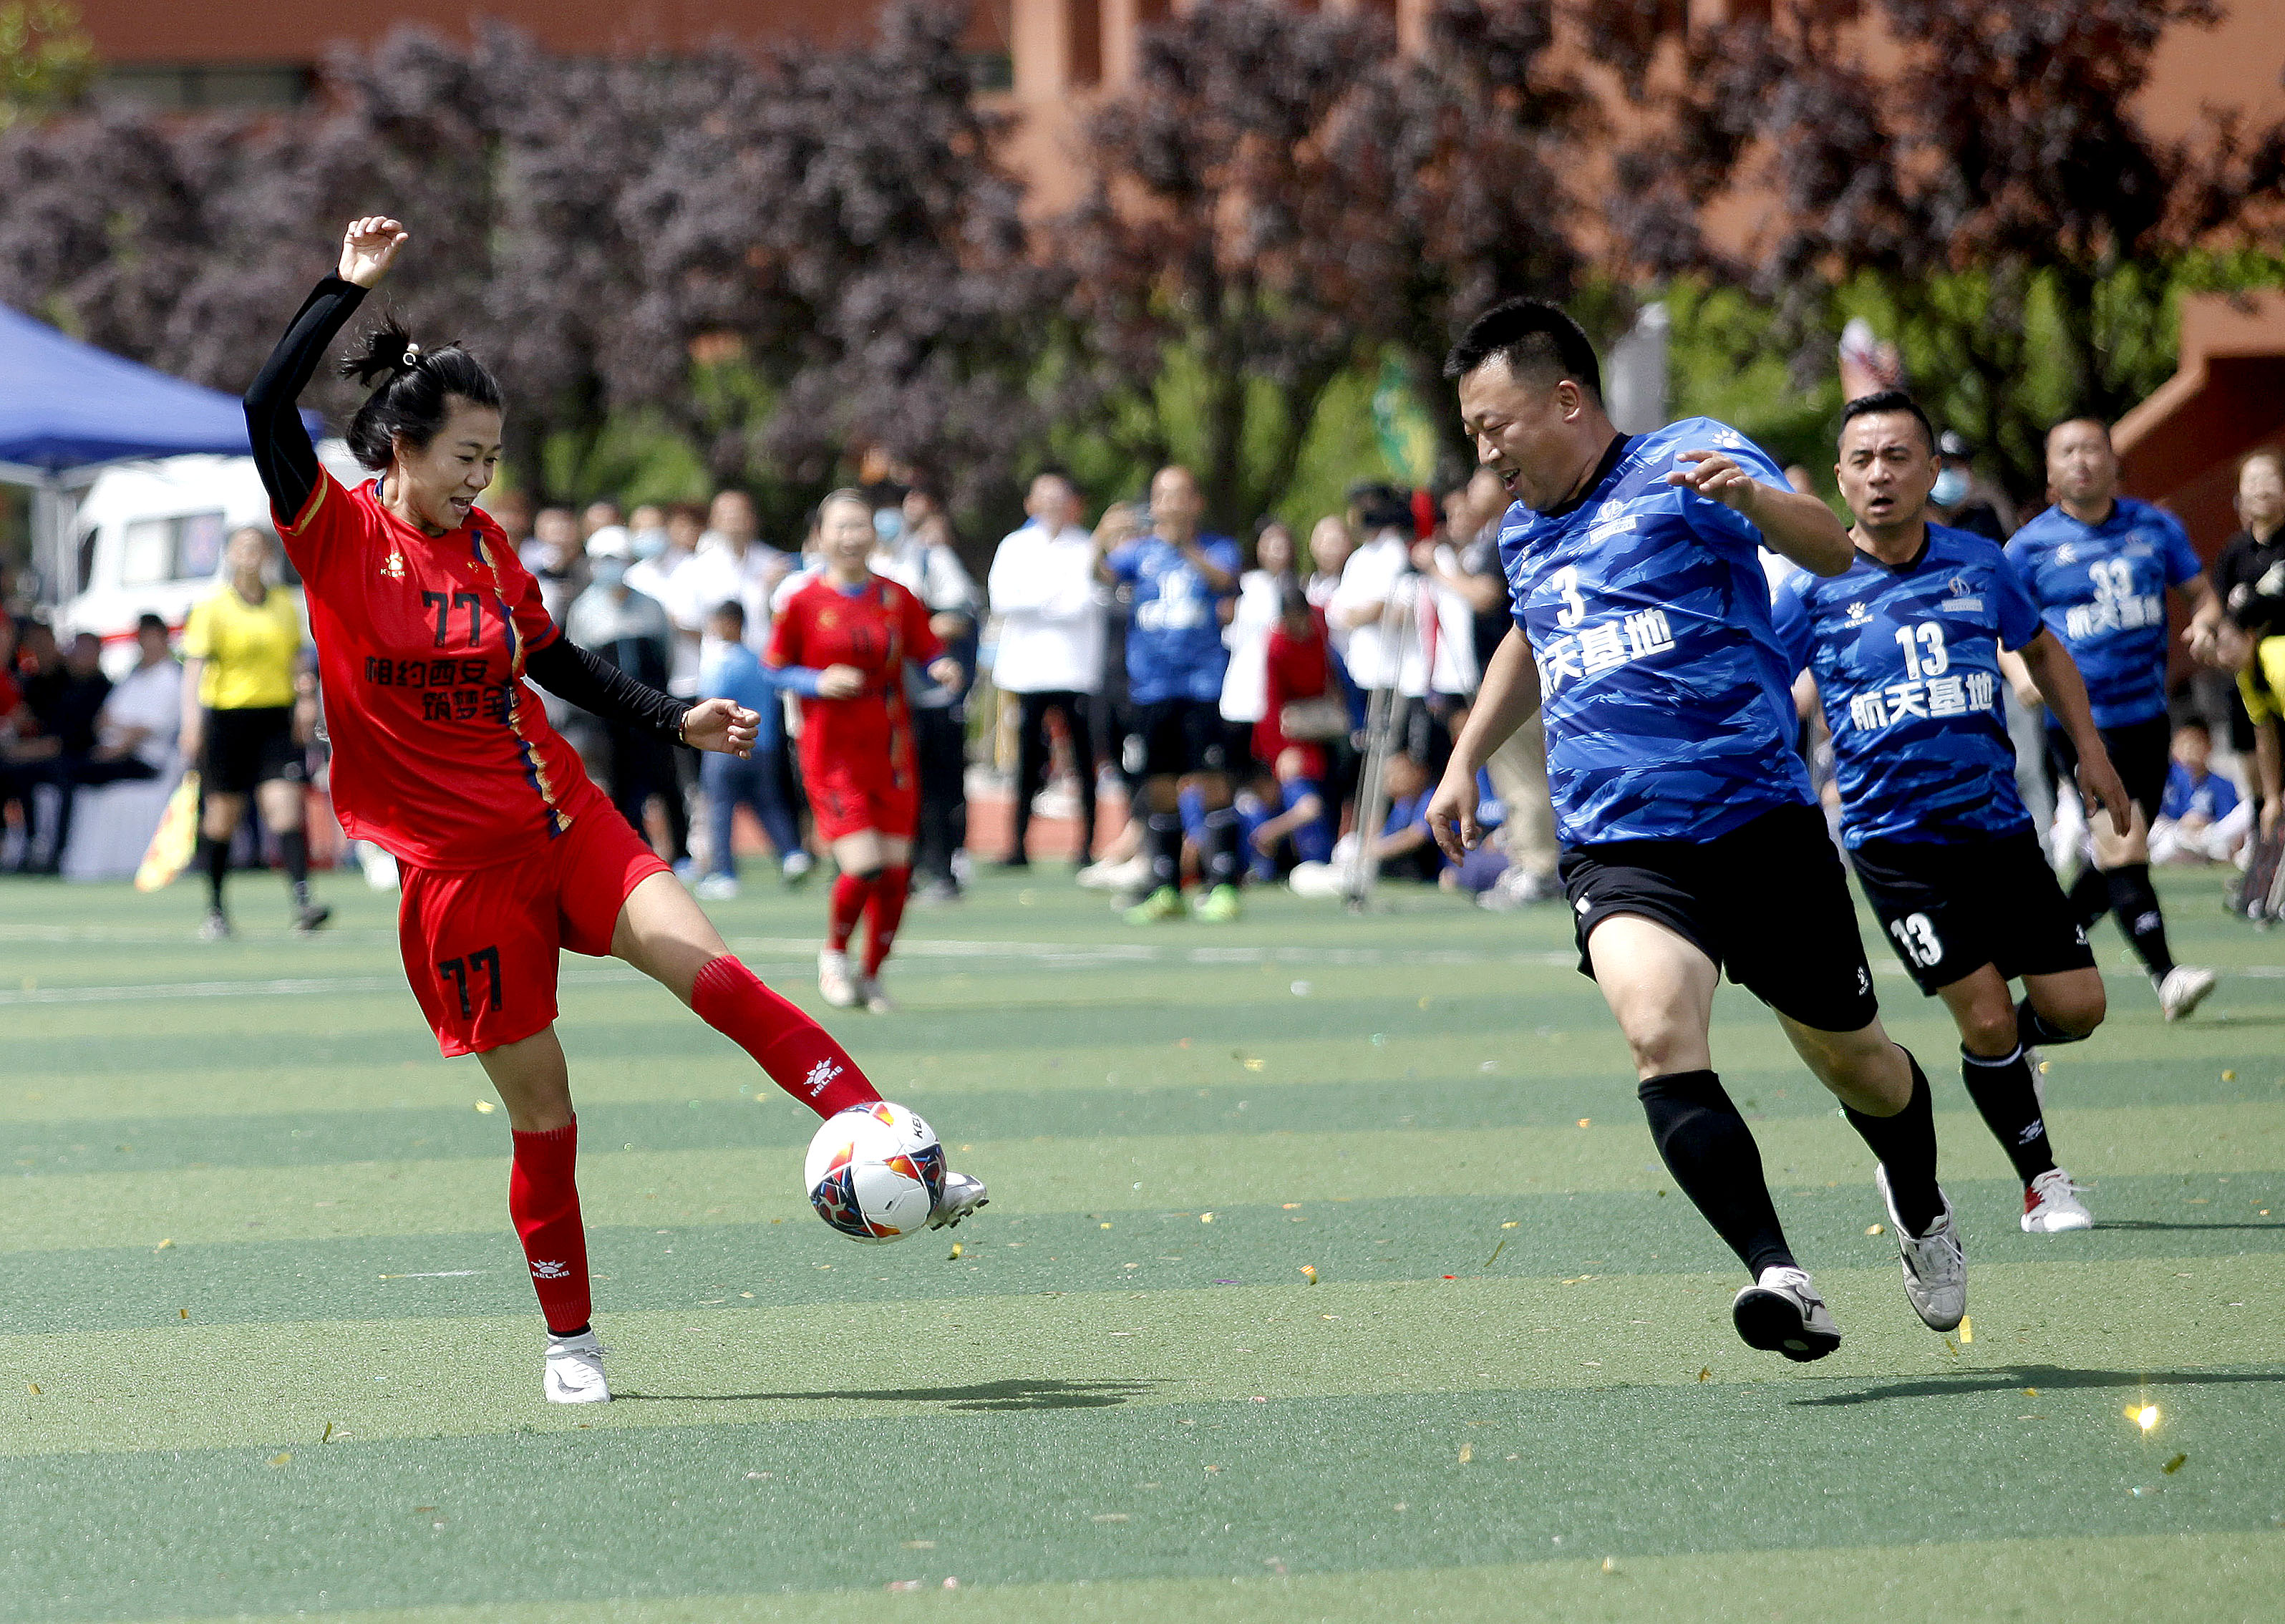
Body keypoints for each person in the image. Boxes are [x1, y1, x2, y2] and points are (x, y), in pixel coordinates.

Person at [246, 216, 985, 1404]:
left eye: (494, 458)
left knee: (720, 976)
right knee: (548, 1120)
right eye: (466, 455)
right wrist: (342, 287)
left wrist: (672, 718)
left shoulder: (487, 546)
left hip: (563, 820)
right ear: (404, 444)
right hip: (458, 879)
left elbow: (556, 659)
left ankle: (900, 1150)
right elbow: (263, 406)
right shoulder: (336, 531)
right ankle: (571, 1342)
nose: (481, 478)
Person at [1430, 298, 1961, 1362]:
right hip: (1619, 844)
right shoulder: (1524, 532)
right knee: (1657, 1033)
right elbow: (1533, 639)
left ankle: (1918, 1198)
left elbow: (1832, 553)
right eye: (1474, 434)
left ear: (1566, 400)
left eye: (1495, 427)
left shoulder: (1690, 457)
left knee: (1857, 1061)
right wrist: (1463, 758)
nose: (1485, 455)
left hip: (1759, 824)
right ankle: (1779, 1275)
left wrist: (1757, 498)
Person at [1775, 391, 2128, 1235]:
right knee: (1987, 1013)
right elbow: (1762, 689)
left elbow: (2041, 648)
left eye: (1898, 457)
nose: (1880, 475)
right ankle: (2043, 1184)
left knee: (2078, 1007)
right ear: (1840, 479)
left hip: (1998, 830)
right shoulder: (1811, 588)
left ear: (1932, 470)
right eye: (1862, 460)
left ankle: (1998, 1061)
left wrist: (2090, 749)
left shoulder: (1980, 563)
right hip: (1896, 846)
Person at [2006, 418, 2223, 1020]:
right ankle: (2167, 974)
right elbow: (2000, 626)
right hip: (2079, 725)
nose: (2082, 460)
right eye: (2068, 451)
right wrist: (2020, 673)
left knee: (2118, 852)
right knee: (2123, 846)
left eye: (2093, 449)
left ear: (2112, 460)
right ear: (2050, 470)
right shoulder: (2027, 548)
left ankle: (2040, 954)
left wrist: (2206, 622)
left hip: (2148, 717)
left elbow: (2202, 594)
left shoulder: (2155, 526)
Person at [767, 489, 964, 1012]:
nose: (852, 537)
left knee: (897, 873)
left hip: (891, 750)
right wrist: (815, 680)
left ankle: (872, 974)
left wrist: (942, 665)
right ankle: (833, 955)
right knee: (864, 865)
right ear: (820, 536)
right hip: (832, 753)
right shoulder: (803, 601)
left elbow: (926, 648)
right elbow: (774, 667)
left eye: (861, 526)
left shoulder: (896, 597)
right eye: (841, 527)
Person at [1098, 466, 1245, 923]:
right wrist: (1101, 536)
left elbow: (1225, 581)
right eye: (1163, 496)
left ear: (1196, 503)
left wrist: (1185, 547)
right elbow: (1101, 573)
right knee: (1158, 783)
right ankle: (1165, 887)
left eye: (1180, 495)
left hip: (1201, 682)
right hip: (1150, 685)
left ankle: (1223, 884)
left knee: (1210, 778)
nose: (1171, 504)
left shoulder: (1218, 547)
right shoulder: (1139, 552)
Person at [178, 527, 327, 937]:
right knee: (221, 818)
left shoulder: (283, 604)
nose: (249, 555)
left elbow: (298, 660)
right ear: (229, 554)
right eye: (241, 548)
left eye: (257, 548)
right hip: (227, 721)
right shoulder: (213, 608)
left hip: (274, 720)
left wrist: (306, 698)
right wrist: (191, 722)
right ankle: (216, 909)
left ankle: (303, 901)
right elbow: (194, 669)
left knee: (286, 808)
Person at [986, 470, 1106, 868]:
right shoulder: (1014, 546)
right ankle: (1017, 844)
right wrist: (1054, 596)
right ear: (1030, 504)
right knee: (1026, 762)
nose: (1052, 504)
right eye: (1044, 496)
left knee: (1084, 760)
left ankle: (1088, 845)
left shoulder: (1087, 546)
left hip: (1075, 672)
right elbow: (1003, 599)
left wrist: (1037, 599)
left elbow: (1084, 603)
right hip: (1027, 672)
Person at [872, 481, 979, 903]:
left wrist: (911, 637)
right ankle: (895, 869)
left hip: (928, 696)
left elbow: (959, 616)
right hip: (879, 699)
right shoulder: (859, 567)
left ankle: (943, 867)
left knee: (937, 786)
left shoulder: (930, 558)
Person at [566, 527, 689, 868]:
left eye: (616, 559)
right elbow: (575, 665)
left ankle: (682, 853)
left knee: (666, 780)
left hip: (653, 709)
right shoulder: (584, 609)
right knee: (619, 782)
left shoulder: (651, 606)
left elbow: (666, 655)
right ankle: (633, 850)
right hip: (608, 717)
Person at [2188, 447, 2285, 841]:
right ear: (2239, 496)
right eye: (2252, 481)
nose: (2261, 489)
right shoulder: (2234, 553)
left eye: (2270, 479)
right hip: (2249, 675)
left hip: (2279, 666)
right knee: (2257, 747)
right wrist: (2208, 634)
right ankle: (2265, 833)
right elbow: (2219, 610)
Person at [694, 599, 810, 897]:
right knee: (768, 803)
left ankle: (724, 873)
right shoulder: (761, 660)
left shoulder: (721, 662)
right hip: (763, 745)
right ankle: (792, 855)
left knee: (720, 808)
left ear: (731, 623)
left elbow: (707, 704)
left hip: (726, 747)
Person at [2151, 716, 2251, 866]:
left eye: (2196, 742)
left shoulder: (2222, 784)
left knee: (2248, 808)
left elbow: (2227, 825)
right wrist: (2184, 824)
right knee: (2165, 843)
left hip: (2208, 837)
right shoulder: (2167, 780)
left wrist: (2204, 823)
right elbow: (2158, 821)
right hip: (2174, 837)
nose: (2190, 749)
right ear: (2174, 748)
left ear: (2209, 746)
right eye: (2185, 743)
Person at [1928, 429, 2014, 543]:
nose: (1952, 470)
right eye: (1946, 465)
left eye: (1959, 463)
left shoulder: (1987, 514)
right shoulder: (1918, 516)